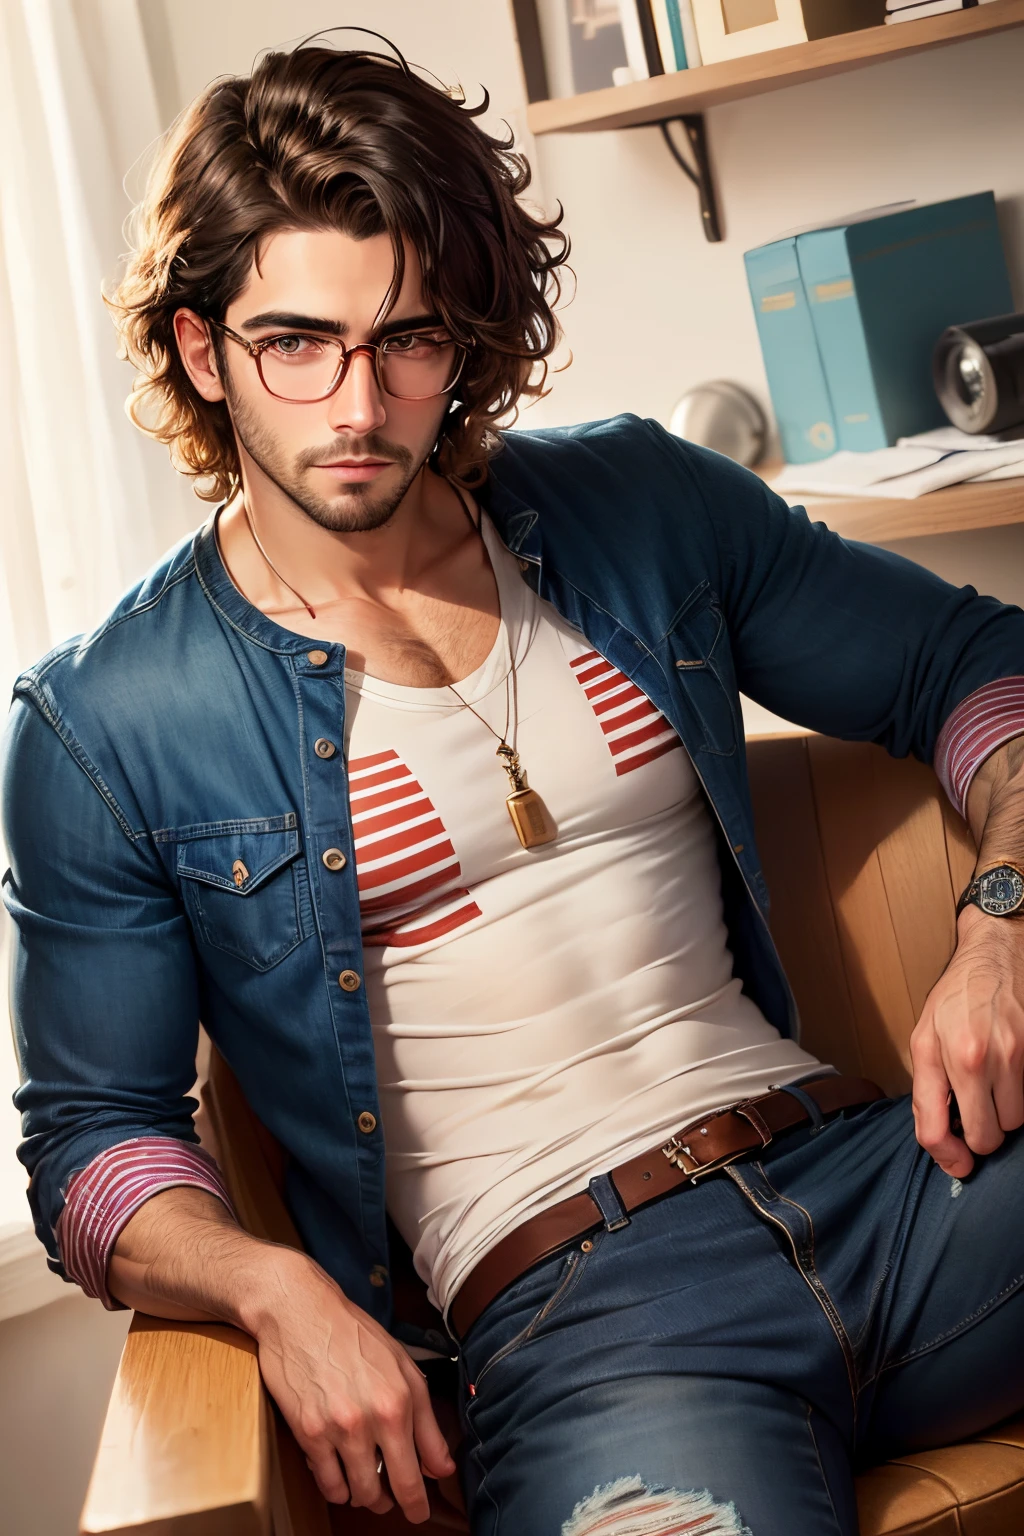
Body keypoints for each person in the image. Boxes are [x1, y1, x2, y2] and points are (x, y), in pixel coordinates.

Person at [5, 35, 1024, 1536]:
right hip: (592, 1326)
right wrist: (269, 1286)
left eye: (407, 339)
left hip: (900, 1181)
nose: (358, 404)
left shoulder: (634, 503)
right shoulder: (104, 719)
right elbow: (97, 1143)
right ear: (203, 347)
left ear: (463, 338)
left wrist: (1000, 922)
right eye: (297, 343)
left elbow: (978, 665)